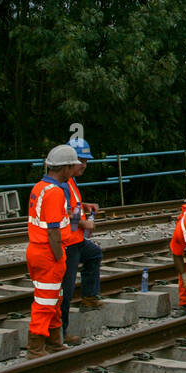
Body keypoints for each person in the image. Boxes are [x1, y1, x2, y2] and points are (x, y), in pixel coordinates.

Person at [26, 145, 79, 357]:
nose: (74, 170)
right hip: (48, 253)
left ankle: (54, 341)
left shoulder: (39, 187)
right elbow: (54, 230)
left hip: (37, 250)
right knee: (45, 301)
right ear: (64, 168)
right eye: (72, 167)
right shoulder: (55, 192)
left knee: (54, 297)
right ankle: (36, 348)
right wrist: (59, 257)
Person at [60, 137, 104, 347]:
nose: (85, 165)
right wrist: (83, 224)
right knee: (66, 289)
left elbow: (72, 206)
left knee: (94, 253)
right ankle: (61, 332)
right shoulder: (62, 183)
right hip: (68, 243)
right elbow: (61, 213)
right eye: (81, 161)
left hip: (75, 240)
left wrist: (85, 205)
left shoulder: (70, 181)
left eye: (86, 161)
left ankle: (88, 298)